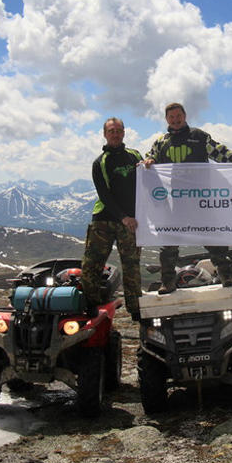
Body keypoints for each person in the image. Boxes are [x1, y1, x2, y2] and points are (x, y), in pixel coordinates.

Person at [142, 102, 232, 295]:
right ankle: (168, 282)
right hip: (176, 202)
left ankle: (226, 276)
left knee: (213, 236)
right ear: (166, 119)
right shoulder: (161, 142)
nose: (176, 119)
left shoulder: (199, 136)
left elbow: (220, 152)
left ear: (185, 116)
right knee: (169, 243)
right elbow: (149, 158)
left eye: (178, 116)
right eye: (171, 117)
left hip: (201, 200)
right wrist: (149, 162)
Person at [81, 117, 143, 320]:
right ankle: (92, 307)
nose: (115, 134)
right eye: (111, 131)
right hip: (104, 219)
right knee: (92, 265)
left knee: (132, 266)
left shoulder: (135, 156)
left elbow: (147, 179)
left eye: (118, 130)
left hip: (131, 220)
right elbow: (104, 195)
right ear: (105, 134)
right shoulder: (99, 163)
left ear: (124, 132)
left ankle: (135, 310)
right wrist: (123, 217)